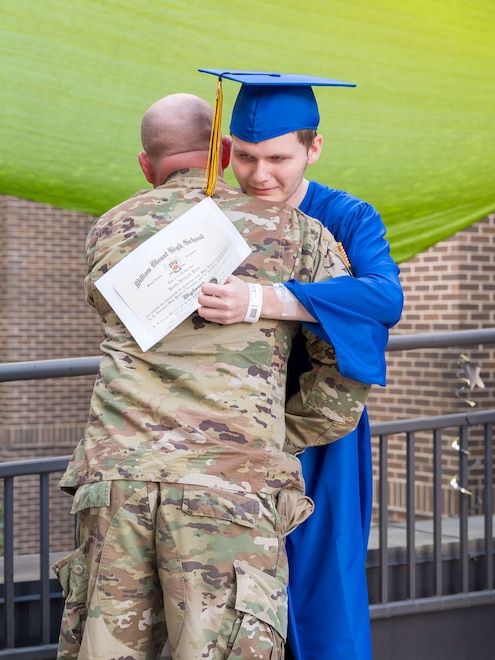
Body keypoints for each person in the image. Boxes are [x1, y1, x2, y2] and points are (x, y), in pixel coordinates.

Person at [51, 92, 370, 660]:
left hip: (115, 480)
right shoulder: (298, 233)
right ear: (225, 154)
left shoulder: (109, 230)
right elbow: (349, 356)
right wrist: (273, 434)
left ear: (146, 165)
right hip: (230, 488)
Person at [196, 70, 404, 660]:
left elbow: (384, 297)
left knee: (323, 581)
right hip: (226, 427)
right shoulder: (211, 217)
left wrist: (262, 302)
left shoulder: (347, 216)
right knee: (228, 588)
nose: (260, 175)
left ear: (313, 148)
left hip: (319, 427)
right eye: (245, 157)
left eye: (279, 158)